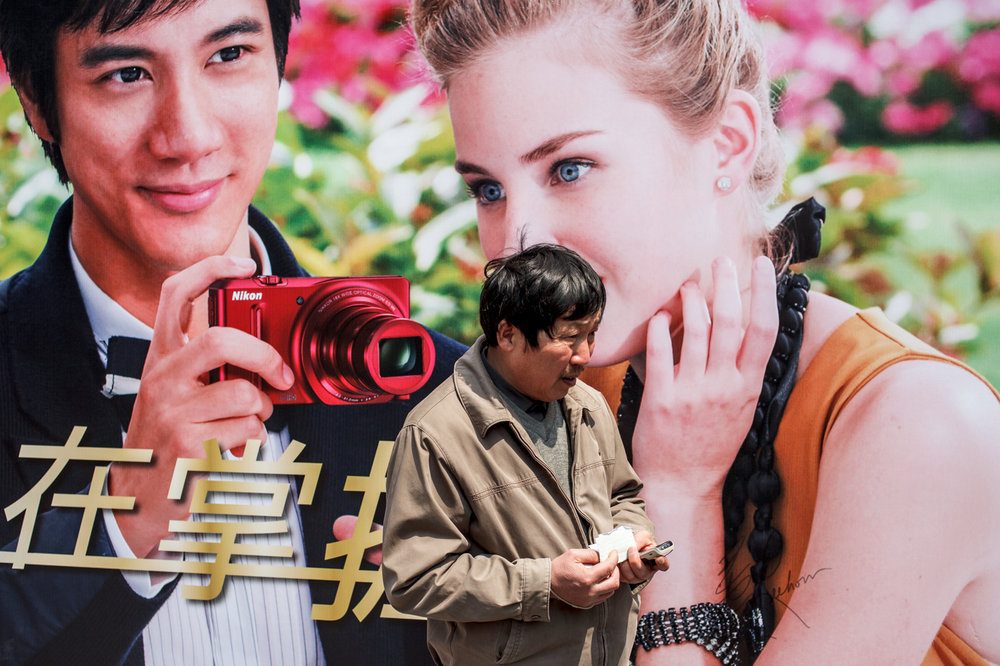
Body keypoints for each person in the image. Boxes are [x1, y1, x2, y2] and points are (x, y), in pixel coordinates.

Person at [407, 0, 1000, 664]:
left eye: (569, 169)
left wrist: (679, 494)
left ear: (728, 141)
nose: (520, 242)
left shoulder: (917, 427)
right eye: (489, 190)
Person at [0, 1, 464, 664]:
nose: (187, 137)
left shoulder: (448, 403)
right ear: (37, 102)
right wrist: (122, 525)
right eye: (127, 73)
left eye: (228, 55)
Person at [382, 243, 670, 665]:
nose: (585, 356)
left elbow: (622, 497)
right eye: (570, 337)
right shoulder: (435, 434)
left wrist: (632, 542)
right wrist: (546, 582)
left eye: (592, 334)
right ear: (508, 334)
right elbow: (416, 578)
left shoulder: (587, 406)